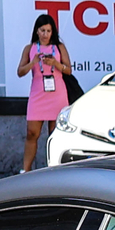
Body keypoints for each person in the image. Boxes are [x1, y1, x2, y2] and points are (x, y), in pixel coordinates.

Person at [16, 11, 71, 172]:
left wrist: (55, 63)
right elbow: (20, 72)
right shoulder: (30, 48)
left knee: (55, 135)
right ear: (36, 31)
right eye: (42, 30)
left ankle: (55, 169)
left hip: (57, 93)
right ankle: (25, 170)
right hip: (38, 93)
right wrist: (33, 62)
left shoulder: (59, 47)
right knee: (32, 133)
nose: (45, 34)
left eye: (48, 31)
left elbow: (69, 70)